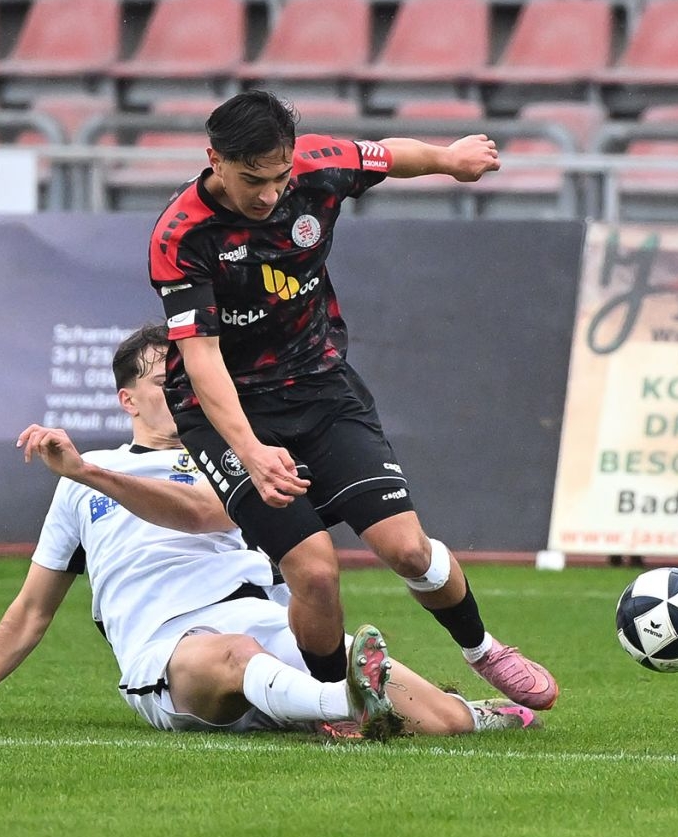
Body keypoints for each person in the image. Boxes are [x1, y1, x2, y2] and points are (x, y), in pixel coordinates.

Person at [0, 324, 537, 739]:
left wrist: (91, 473)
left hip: (269, 621)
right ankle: (340, 705)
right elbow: (32, 608)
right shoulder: (81, 480)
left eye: (190, 381)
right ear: (128, 400)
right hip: (170, 648)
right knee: (235, 655)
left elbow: (198, 512)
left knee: (440, 722)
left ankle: (467, 712)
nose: (184, 393)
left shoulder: (236, 458)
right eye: (167, 383)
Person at [147, 91, 557, 709]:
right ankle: (331, 704)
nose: (269, 195)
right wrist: (252, 451)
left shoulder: (318, 165)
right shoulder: (181, 235)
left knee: (408, 549)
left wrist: (449, 159)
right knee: (314, 571)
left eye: (279, 177)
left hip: (320, 386)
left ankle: (483, 650)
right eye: (253, 180)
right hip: (228, 412)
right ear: (215, 160)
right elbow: (203, 360)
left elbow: (389, 155)